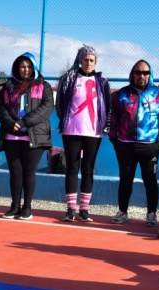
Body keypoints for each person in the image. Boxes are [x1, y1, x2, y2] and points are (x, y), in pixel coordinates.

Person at [108, 59, 159, 226]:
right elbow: (112, 117)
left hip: (150, 146)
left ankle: (151, 214)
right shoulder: (121, 94)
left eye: (145, 72)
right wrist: (114, 139)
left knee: (150, 180)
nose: (141, 76)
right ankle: (122, 212)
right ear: (132, 74)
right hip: (125, 145)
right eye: (138, 72)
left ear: (150, 74)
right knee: (125, 179)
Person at [55, 45, 111, 222]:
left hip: (93, 132)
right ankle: (71, 209)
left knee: (88, 169)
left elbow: (107, 106)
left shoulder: (102, 83)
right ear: (80, 60)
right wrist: (67, 120)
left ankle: (84, 209)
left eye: (92, 60)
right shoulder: (69, 79)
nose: (88, 63)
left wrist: (103, 125)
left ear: (96, 62)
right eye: (85, 59)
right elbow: (60, 104)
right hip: (71, 130)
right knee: (72, 168)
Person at [0, 52, 53, 220]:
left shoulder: (44, 87)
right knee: (15, 172)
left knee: (29, 172)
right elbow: (0, 107)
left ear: (34, 68)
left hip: (35, 137)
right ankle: (14, 207)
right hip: (11, 136)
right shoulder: (8, 87)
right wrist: (9, 123)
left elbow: (46, 108)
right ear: (16, 68)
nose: (25, 69)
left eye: (28, 66)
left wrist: (23, 122)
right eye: (22, 66)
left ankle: (26, 208)